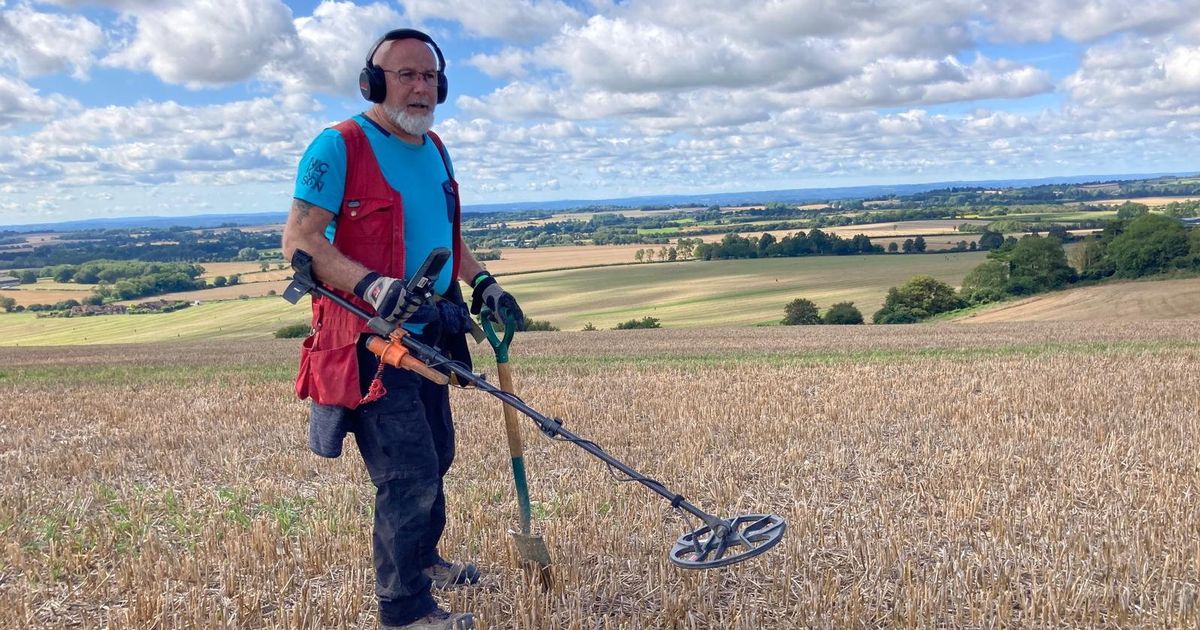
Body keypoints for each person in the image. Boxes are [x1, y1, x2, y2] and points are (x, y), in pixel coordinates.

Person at [281, 28, 524, 630]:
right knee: (407, 474)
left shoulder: (435, 147)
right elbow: (300, 241)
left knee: (437, 456)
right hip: (370, 342)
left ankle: (424, 560)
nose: (421, 88)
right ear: (373, 82)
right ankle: (404, 610)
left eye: (429, 77)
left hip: (432, 335)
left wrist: (483, 281)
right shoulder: (338, 147)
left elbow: (444, 237)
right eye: (406, 75)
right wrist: (369, 285)